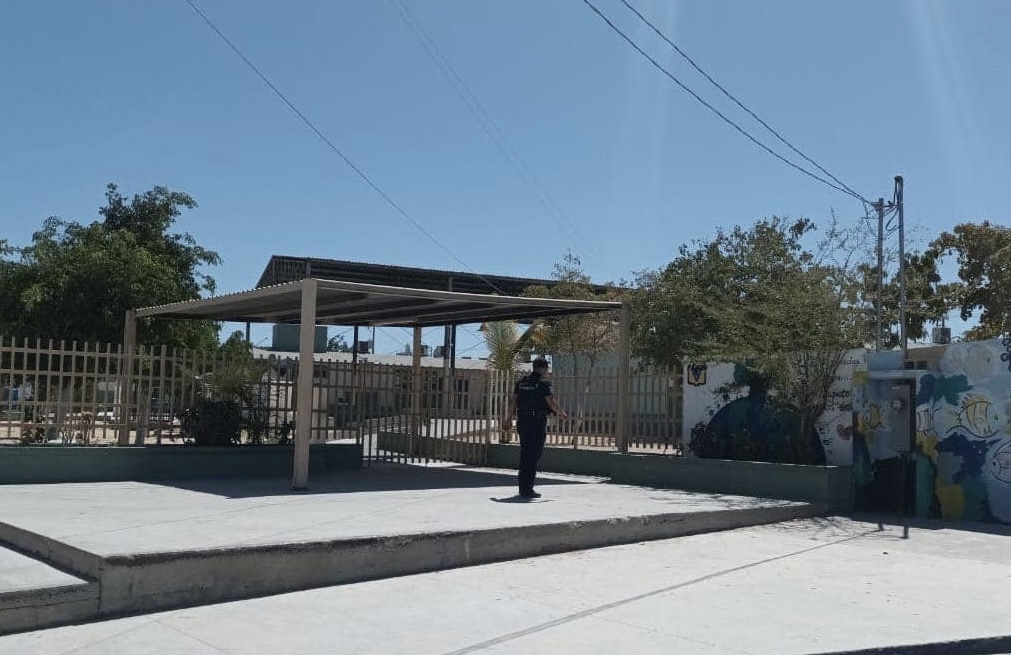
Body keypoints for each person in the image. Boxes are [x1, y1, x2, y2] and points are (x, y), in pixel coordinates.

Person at [505, 358, 568, 499]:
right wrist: (561, 413)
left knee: (525, 454)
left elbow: (513, 401)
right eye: (546, 368)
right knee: (534, 455)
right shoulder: (543, 384)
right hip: (536, 423)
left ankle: (523, 487)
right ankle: (527, 489)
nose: (547, 371)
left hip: (523, 421)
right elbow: (550, 402)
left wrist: (508, 418)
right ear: (543, 369)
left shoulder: (522, 382)